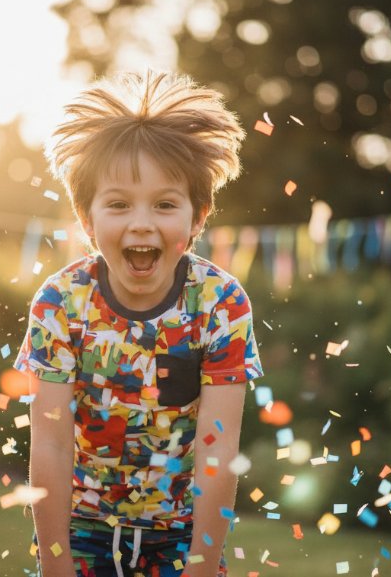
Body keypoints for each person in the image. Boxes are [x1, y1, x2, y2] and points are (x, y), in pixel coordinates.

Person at [15, 70, 263, 577]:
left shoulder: (221, 304)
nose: (142, 222)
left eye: (166, 204)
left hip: (182, 531)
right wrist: (55, 565)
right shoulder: (60, 303)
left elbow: (219, 448)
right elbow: (52, 443)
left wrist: (200, 567)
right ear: (87, 220)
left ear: (197, 219)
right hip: (82, 526)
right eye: (119, 204)